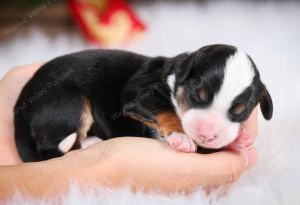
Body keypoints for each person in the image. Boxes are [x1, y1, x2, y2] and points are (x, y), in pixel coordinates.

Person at [0, 64, 258, 200]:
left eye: (234, 112)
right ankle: (51, 147)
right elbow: (132, 100)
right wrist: (97, 169)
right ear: (183, 77)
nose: (208, 129)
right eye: (198, 99)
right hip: (62, 94)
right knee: (73, 108)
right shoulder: (158, 87)